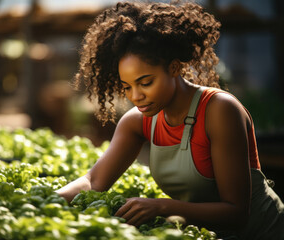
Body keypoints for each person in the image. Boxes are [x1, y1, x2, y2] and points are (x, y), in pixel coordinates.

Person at [56, 1, 284, 239]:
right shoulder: (137, 121)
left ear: (174, 68)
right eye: (127, 87)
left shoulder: (220, 110)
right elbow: (93, 180)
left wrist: (162, 206)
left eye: (146, 83)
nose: (135, 96)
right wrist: (52, 200)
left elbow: (237, 213)